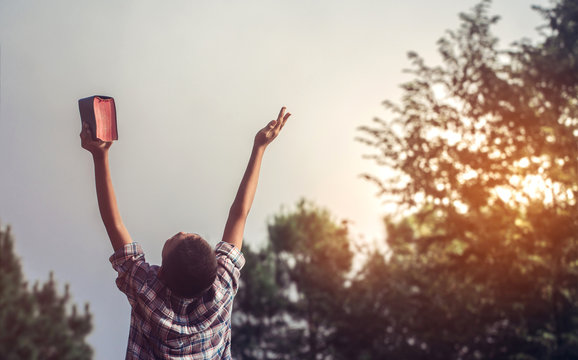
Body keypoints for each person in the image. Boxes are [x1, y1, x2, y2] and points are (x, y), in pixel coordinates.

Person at [80, 107, 291, 359]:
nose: (180, 231)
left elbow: (113, 224)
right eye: (190, 235)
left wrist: (99, 157)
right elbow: (240, 213)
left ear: (161, 273)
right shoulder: (221, 290)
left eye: (173, 240)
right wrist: (260, 149)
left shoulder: (148, 292)